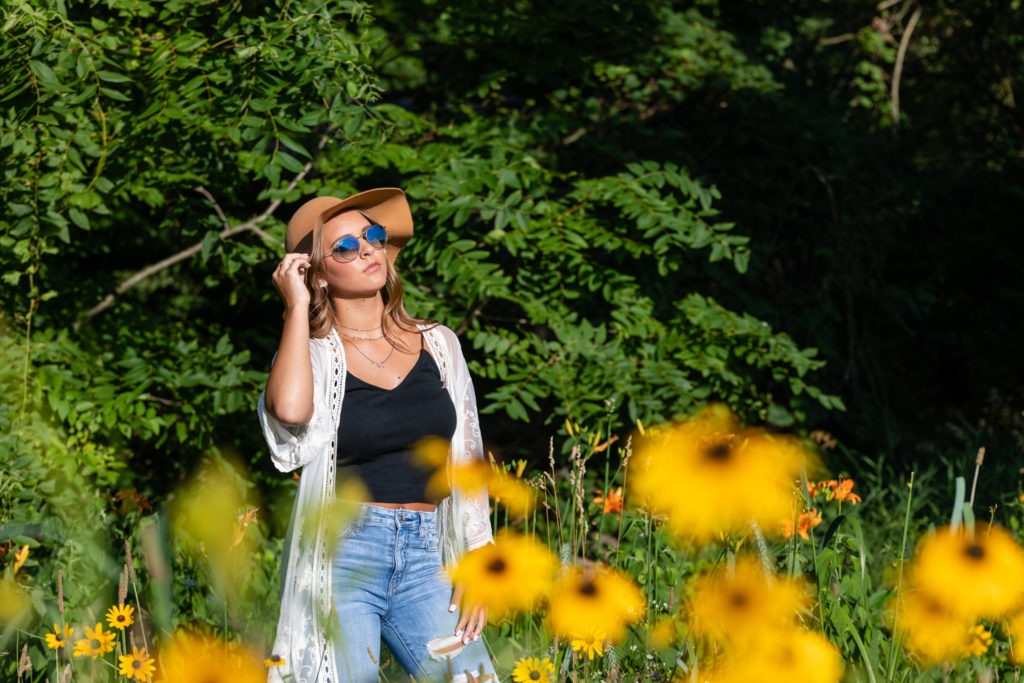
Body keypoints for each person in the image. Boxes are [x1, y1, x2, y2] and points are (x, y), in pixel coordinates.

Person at [258, 188, 498, 683]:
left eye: (371, 235)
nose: (367, 249)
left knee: (476, 679)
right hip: (345, 555)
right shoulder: (316, 356)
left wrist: (481, 553)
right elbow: (288, 411)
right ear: (317, 273)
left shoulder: (439, 343)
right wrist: (295, 307)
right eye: (344, 247)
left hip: (430, 554)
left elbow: (468, 453)